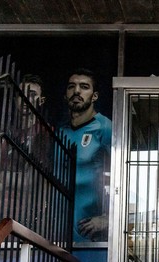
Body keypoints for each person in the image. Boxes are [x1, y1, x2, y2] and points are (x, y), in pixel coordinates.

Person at [59, 68, 112, 242]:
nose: (77, 91)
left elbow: (126, 175)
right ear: (65, 95)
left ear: (94, 96)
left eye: (84, 87)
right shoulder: (59, 131)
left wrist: (108, 218)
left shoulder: (104, 128)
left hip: (88, 234)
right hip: (56, 230)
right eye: (71, 87)